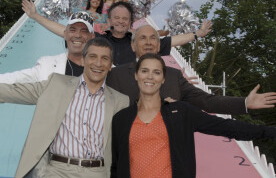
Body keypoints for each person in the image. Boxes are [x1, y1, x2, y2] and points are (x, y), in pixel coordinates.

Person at [108, 53, 276, 178]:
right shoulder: (121, 119)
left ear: (163, 79)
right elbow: (116, 169)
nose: (150, 76)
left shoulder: (180, 112)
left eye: (156, 72)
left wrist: (270, 131)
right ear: (136, 75)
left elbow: (226, 127)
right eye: (144, 71)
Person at [0, 38, 129, 178]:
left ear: (110, 65)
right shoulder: (55, 84)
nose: (98, 63)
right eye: (92, 57)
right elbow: (10, 91)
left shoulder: (121, 101)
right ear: (83, 59)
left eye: (104, 59)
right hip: (60, 174)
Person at [0, 11, 95, 178]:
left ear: (91, 37)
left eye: (84, 30)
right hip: (48, 167)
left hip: (85, 169)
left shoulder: (105, 71)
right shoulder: (48, 66)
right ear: (65, 34)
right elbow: (12, 82)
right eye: (73, 29)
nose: (78, 35)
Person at [106, 24, 276, 112]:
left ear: (159, 45)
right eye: (143, 38)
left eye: (153, 38)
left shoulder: (174, 76)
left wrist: (245, 103)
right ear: (133, 45)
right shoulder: (115, 76)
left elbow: (208, 101)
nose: (149, 42)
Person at [22, 0, 212, 66]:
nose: (120, 21)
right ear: (109, 20)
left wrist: (197, 34)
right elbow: (65, 32)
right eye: (116, 18)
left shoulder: (141, 43)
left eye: (125, 18)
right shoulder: (98, 41)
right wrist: (36, 16)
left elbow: (173, 41)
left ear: (130, 22)